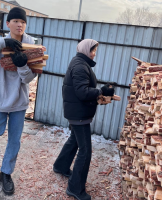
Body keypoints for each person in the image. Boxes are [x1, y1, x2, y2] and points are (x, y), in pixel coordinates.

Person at [0, 7, 37, 195]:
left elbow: (29, 78)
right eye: (16, 21)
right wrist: (1, 44)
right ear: (8, 23)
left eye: (23, 21)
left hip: (18, 101)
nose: (20, 24)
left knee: (14, 140)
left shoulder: (31, 45)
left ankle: (6, 173)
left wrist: (22, 66)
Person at [53, 39, 114, 200]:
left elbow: (82, 90)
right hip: (79, 114)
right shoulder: (80, 66)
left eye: (95, 51)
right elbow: (82, 92)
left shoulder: (80, 62)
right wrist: (101, 91)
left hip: (76, 111)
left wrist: (101, 94)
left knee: (74, 140)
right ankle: (75, 188)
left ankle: (60, 166)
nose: (94, 54)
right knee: (85, 151)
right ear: (85, 50)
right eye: (92, 50)